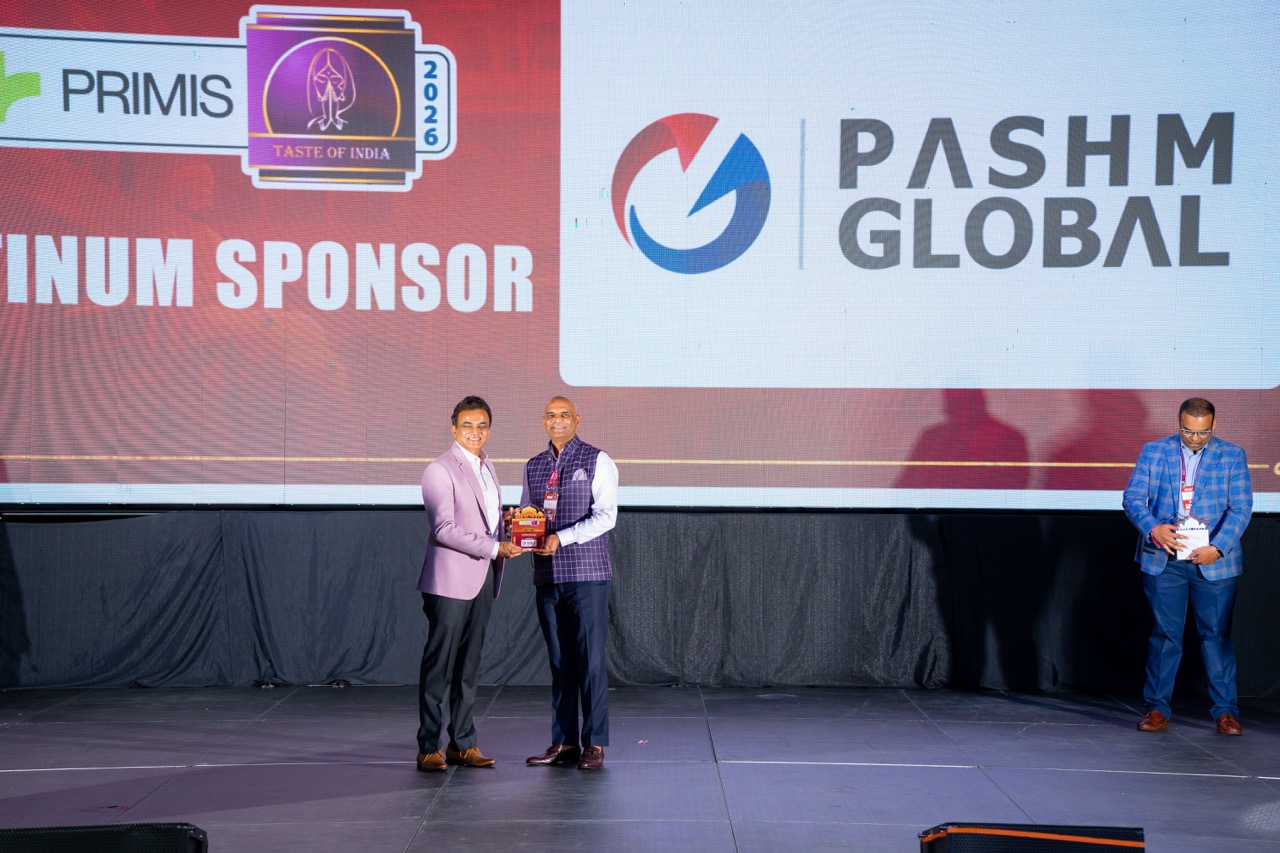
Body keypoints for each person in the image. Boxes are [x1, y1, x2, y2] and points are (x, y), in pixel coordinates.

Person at [1122, 397, 1253, 735]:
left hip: (1213, 562)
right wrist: (1153, 528)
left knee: (1216, 636)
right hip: (1164, 559)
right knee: (1165, 635)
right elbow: (1133, 498)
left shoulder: (1233, 455)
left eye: (1203, 432)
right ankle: (1156, 709)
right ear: (1178, 423)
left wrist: (1218, 548)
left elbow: (1241, 508)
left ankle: (1225, 712)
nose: (1195, 438)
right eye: (1188, 431)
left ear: (1213, 425)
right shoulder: (1154, 452)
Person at [415, 396, 526, 771]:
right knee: (439, 666)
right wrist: (495, 547)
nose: (475, 432)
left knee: (468, 666)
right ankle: (429, 747)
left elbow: (482, 520)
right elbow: (444, 528)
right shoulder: (439, 470)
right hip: (449, 581)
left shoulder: (487, 466)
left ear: (489, 430)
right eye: (467, 425)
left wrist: (506, 524)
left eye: (482, 426)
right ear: (453, 428)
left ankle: (462, 744)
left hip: (481, 577)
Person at [521, 397, 619, 770]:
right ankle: (564, 742)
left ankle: (594, 743)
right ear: (543, 421)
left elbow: (606, 516)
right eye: (551, 415)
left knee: (590, 660)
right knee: (560, 662)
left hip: (587, 576)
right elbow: (528, 513)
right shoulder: (533, 465)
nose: (557, 420)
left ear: (577, 419)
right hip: (547, 576)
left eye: (564, 415)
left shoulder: (597, 459)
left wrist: (561, 537)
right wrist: (519, 531)